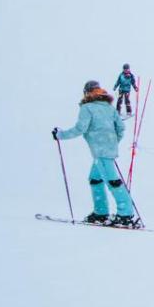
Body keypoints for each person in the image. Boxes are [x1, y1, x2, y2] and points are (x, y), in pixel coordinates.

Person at [52, 81, 139, 227]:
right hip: (107, 150)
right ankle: (101, 212)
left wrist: (60, 135)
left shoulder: (87, 108)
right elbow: (121, 127)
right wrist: (112, 142)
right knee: (95, 179)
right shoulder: (109, 108)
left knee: (113, 181)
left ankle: (125, 215)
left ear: (87, 92)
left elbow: (80, 128)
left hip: (101, 152)